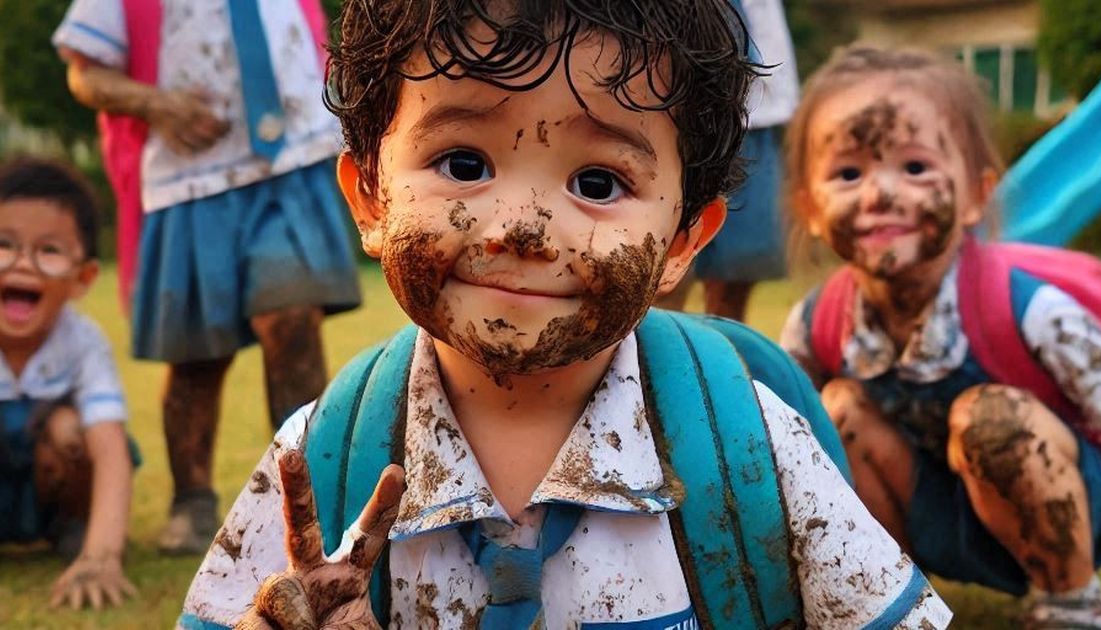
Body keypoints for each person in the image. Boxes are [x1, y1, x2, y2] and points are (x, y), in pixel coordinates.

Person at [177, 3, 952, 629]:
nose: (521, 226)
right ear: (371, 197)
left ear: (684, 239)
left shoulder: (748, 445)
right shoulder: (321, 456)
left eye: (598, 180)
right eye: (464, 164)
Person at [779, 47, 1101, 628]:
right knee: (830, 414)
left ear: (976, 195)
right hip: (929, 503)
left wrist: (1021, 424)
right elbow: (777, 438)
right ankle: (884, 595)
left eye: (915, 168)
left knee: (989, 419)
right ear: (811, 208)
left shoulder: (1026, 307)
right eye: (849, 173)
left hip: (1057, 504)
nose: (880, 194)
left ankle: (1073, 603)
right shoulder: (820, 319)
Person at [52, 0, 363, 554]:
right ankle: (192, 502)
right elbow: (84, 70)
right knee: (198, 356)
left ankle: (304, 498)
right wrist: (155, 104)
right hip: (188, 178)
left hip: (290, 165)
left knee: (292, 320)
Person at [0, 157, 137, 610]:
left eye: (50, 250)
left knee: (67, 425)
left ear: (83, 278)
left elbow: (110, 449)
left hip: (48, 484)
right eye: (4, 245)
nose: (22, 265)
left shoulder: (82, 342)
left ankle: (76, 533)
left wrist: (102, 556)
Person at [656, 0, 799, 321]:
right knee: (664, 261)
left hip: (756, 113)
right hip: (675, 108)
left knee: (740, 266)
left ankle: (726, 357)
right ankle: (652, 355)